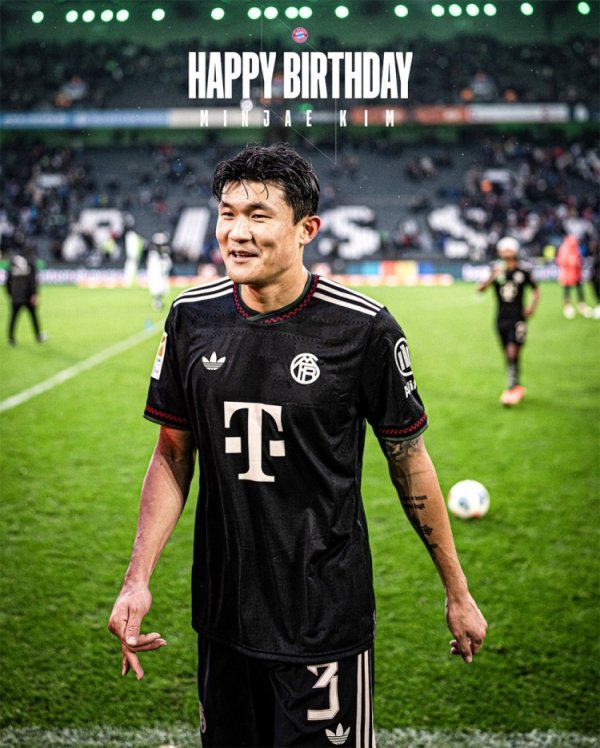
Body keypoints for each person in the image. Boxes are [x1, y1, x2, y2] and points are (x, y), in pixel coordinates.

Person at [108, 144, 487, 747]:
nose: (237, 232)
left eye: (258, 215)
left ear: (307, 229)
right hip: (223, 613)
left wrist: (457, 591)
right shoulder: (191, 318)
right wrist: (137, 579)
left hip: (322, 619)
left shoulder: (363, 329)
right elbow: (174, 455)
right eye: (227, 213)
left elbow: (408, 460)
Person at [478, 236, 540, 406]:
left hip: (518, 319)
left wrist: (532, 307)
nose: (506, 253)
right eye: (503, 250)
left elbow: (536, 289)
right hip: (501, 319)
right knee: (509, 354)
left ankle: (511, 388)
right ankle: (517, 385)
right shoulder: (496, 269)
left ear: (515, 251)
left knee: (513, 352)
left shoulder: (524, 270)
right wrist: (492, 277)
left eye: (509, 249)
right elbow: (480, 289)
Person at [5, 244, 47, 346]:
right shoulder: (31, 262)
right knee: (33, 316)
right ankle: (38, 336)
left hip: (16, 296)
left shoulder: (13, 262)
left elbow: (8, 281)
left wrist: (10, 293)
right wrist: (34, 294)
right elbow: (33, 281)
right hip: (27, 295)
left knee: (13, 317)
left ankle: (11, 338)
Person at [556, 234, 591, 319]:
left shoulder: (576, 248)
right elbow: (561, 260)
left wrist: (577, 262)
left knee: (579, 289)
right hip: (567, 274)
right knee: (567, 290)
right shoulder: (564, 248)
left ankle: (581, 306)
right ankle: (568, 307)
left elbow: (579, 259)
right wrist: (571, 261)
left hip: (576, 273)